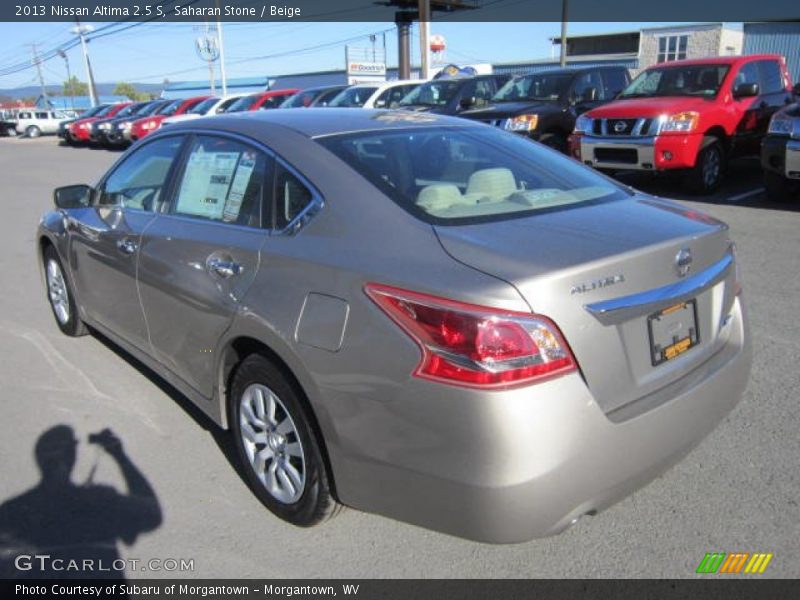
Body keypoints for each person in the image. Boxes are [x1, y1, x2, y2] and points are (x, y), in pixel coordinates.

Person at [0, 425, 162, 579]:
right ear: (71, 456)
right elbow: (152, 514)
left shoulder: (12, 511)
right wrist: (120, 456)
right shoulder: (99, 501)